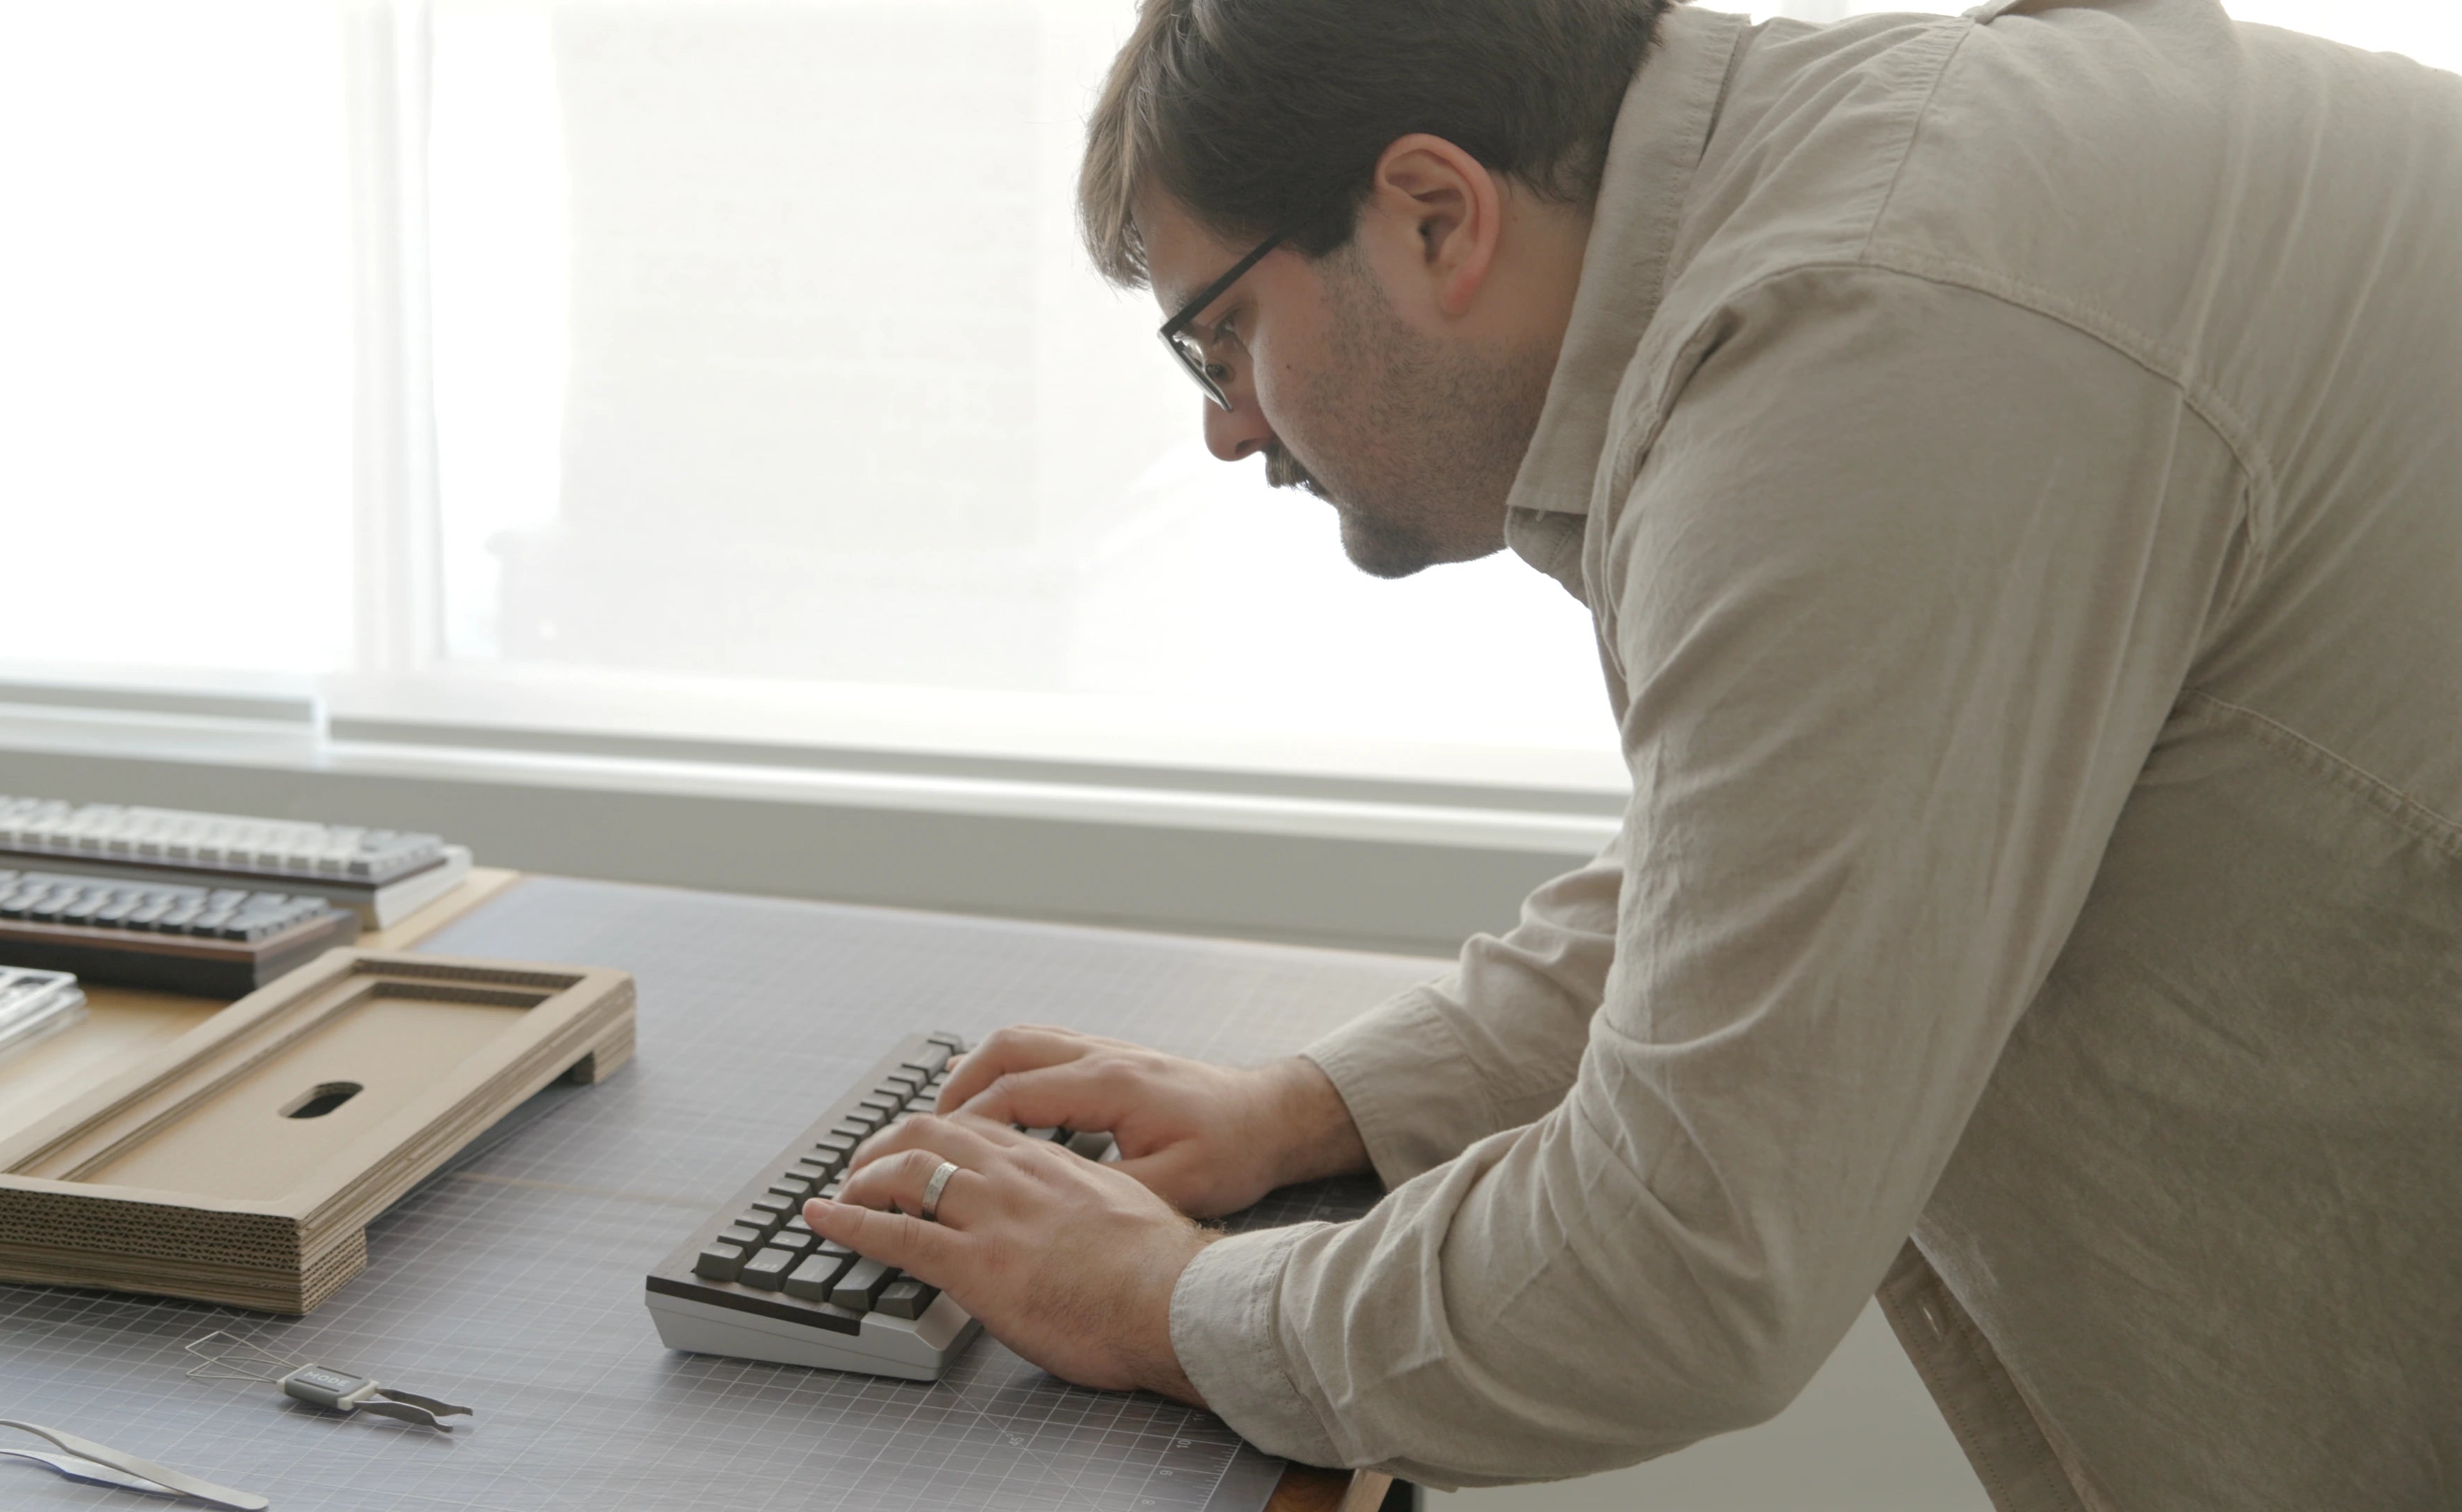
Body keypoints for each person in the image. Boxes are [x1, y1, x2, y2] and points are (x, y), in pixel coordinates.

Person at [805, 0, 2462, 1504]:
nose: (1229, 426)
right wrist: (1314, 1105)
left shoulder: (1869, 348)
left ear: (1435, 214)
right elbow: (1827, 838)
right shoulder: (1892, 195)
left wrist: (1164, 1301)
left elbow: (1683, 1259)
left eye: (1218, 339)